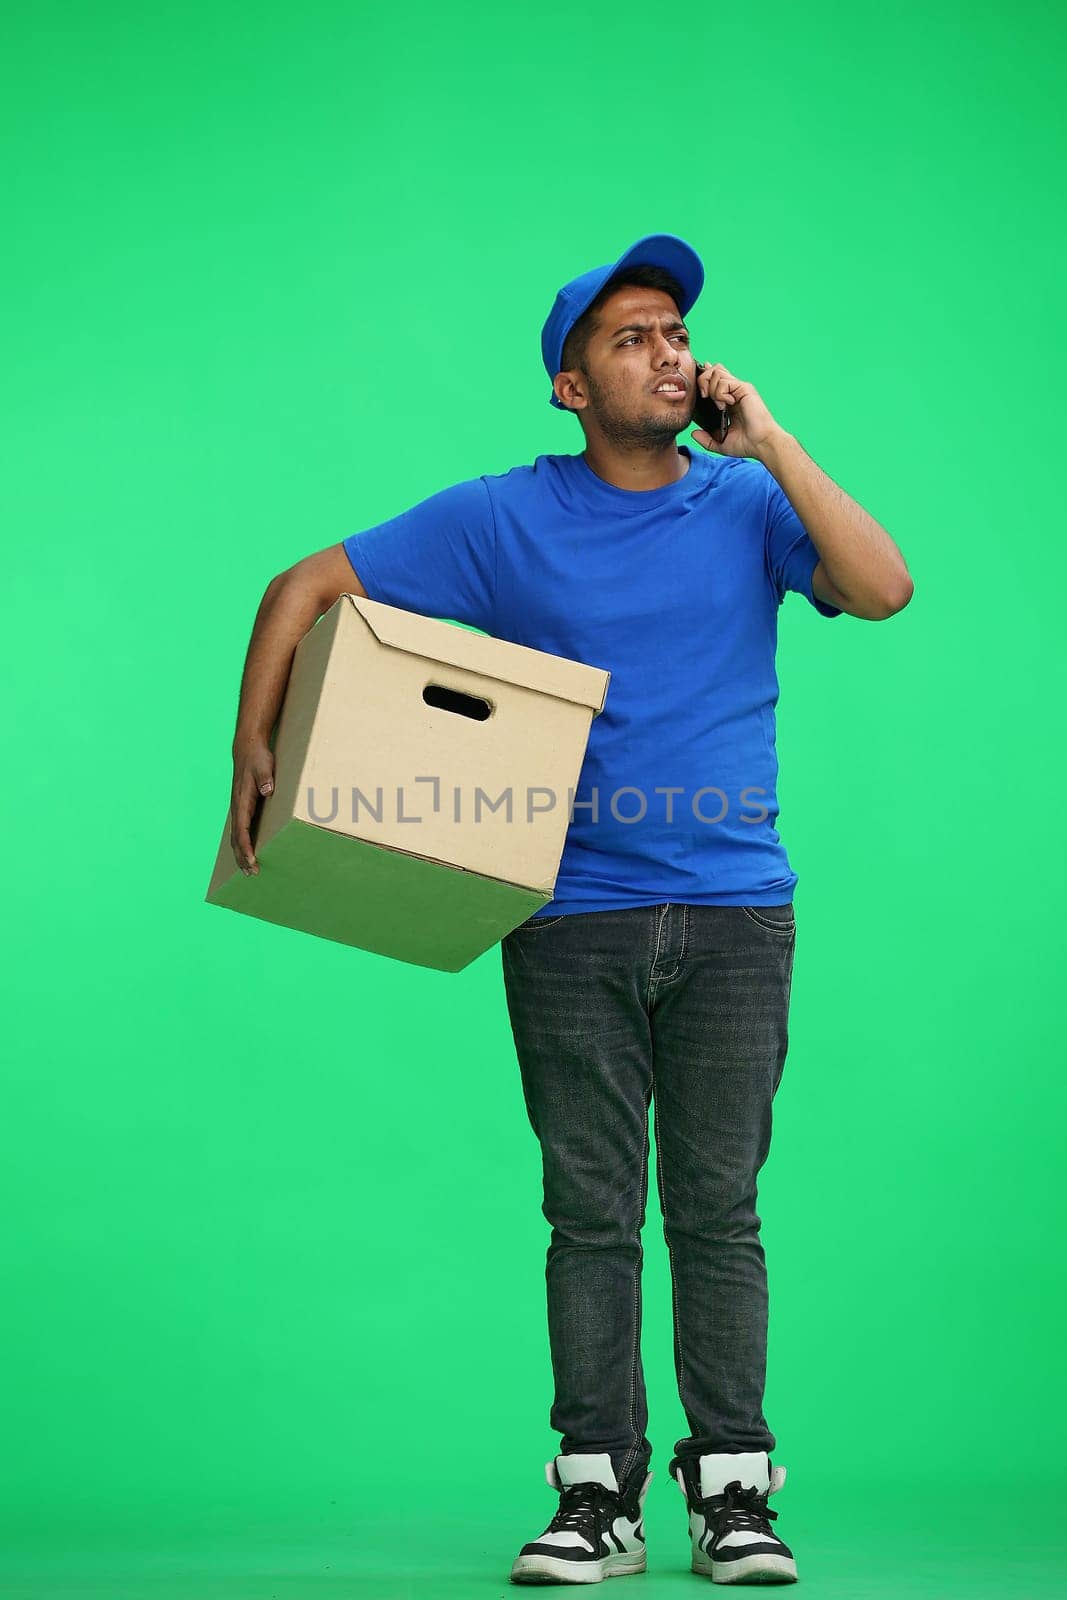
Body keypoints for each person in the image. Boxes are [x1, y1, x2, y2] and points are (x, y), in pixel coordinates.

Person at [225, 233, 914, 1586]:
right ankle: (594, 1492)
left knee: (717, 1211)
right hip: (569, 917)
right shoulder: (500, 520)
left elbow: (882, 588)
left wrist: (770, 442)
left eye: (675, 332)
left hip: (732, 915)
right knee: (590, 1213)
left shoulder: (745, 506)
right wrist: (252, 747)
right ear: (569, 387)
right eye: (628, 338)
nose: (666, 351)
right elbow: (300, 588)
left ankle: (734, 1493)